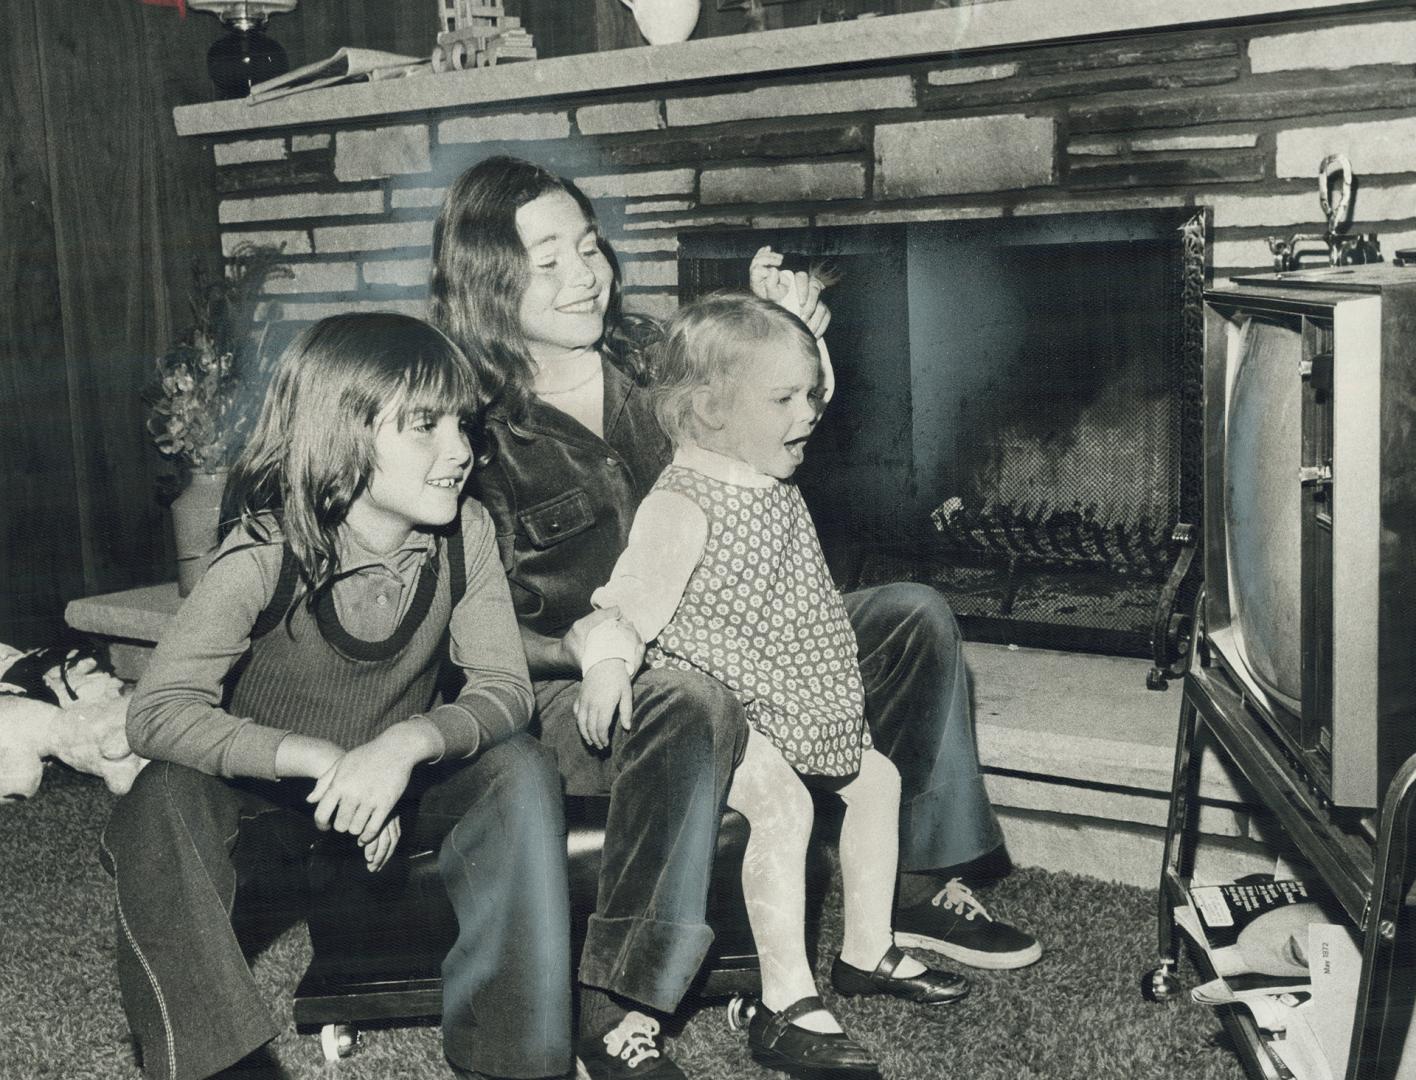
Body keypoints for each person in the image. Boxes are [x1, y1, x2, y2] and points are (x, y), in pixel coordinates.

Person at [430, 155, 1040, 1080]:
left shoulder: (650, 354)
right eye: (546, 260)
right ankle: (620, 1008)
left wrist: (785, 332)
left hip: (738, 631)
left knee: (911, 614)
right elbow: (463, 624)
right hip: (591, 687)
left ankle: (908, 889)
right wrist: (589, 647)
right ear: (488, 282)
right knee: (690, 697)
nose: (583, 275)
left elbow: (764, 394)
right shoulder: (469, 430)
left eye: (588, 247)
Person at [100, 313, 572, 1080]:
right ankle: (219, 1067)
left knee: (520, 768)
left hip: (404, 796)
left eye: (463, 424)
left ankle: (515, 1060)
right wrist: (322, 761)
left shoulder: (467, 534)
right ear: (342, 436)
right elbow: (155, 712)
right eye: (425, 426)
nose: (460, 451)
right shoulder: (262, 552)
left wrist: (404, 745)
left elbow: (503, 690)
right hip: (271, 810)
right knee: (159, 803)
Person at [577, 291, 971, 1080]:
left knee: (878, 781)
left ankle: (866, 951)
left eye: (810, 397)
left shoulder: (763, 468)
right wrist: (610, 665)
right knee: (785, 805)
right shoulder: (683, 503)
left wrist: (801, 336)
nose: (810, 413)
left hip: (794, 690)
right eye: (786, 399)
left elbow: (806, 380)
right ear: (711, 411)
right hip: (731, 707)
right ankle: (786, 1000)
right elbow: (624, 603)